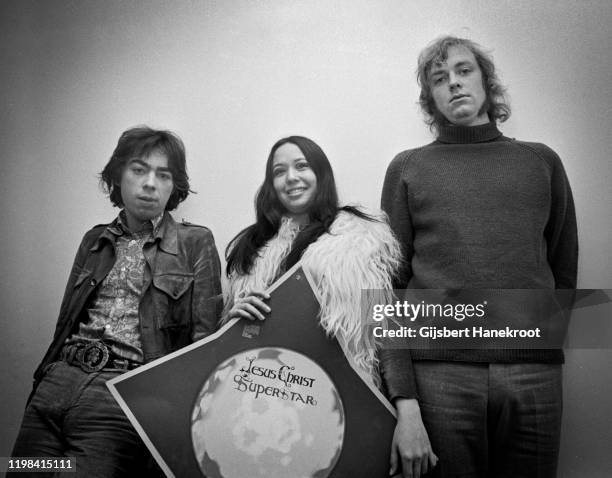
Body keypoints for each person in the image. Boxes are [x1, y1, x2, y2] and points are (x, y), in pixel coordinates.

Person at [380, 36, 578, 477]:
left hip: (533, 372)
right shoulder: (407, 168)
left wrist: (539, 344)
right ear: (429, 98)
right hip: (438, 375)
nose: (453, 83)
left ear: (486, 81)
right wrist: (403, 397)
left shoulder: (541, 162)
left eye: (464, 71)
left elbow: (564, 264)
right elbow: (388, 290)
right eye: (439, 78)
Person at [10, 126, 223, 477]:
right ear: (118, 176)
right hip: (55, 386)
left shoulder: (195, 242)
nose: (150, 183)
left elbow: (203, 343)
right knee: (20, 471)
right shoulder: (94, 239)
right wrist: (48, 376)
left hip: (119, 398)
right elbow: (66, 322)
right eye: (139, 170)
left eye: (163, 174)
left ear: (174, 187)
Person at [223, 135, 402, 384]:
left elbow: (387, 330)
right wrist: (233, 322)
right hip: (263, 386)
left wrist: (405, 404)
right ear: (271, 184)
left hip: (338, 388)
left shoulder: (361, 240)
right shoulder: (251, 249)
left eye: (301, 165)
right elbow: (228, 346)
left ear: (321, 173)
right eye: (279, 171)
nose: (291, 177)